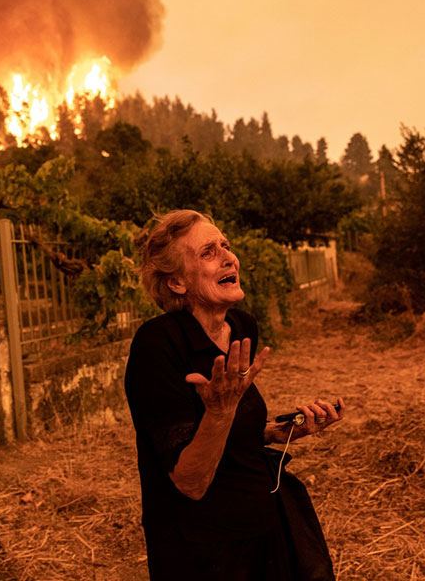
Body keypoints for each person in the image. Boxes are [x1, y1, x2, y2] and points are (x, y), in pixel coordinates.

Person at [125, 209, 345, 581]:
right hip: (202, 548)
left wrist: (278, 431)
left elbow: (229, 432)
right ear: (177, 282)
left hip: (263, 527)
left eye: (225, 245)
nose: (229, 257)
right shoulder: (157, 346)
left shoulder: (241, 327)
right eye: (208, 252)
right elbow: (190, 482)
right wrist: (221, 411)